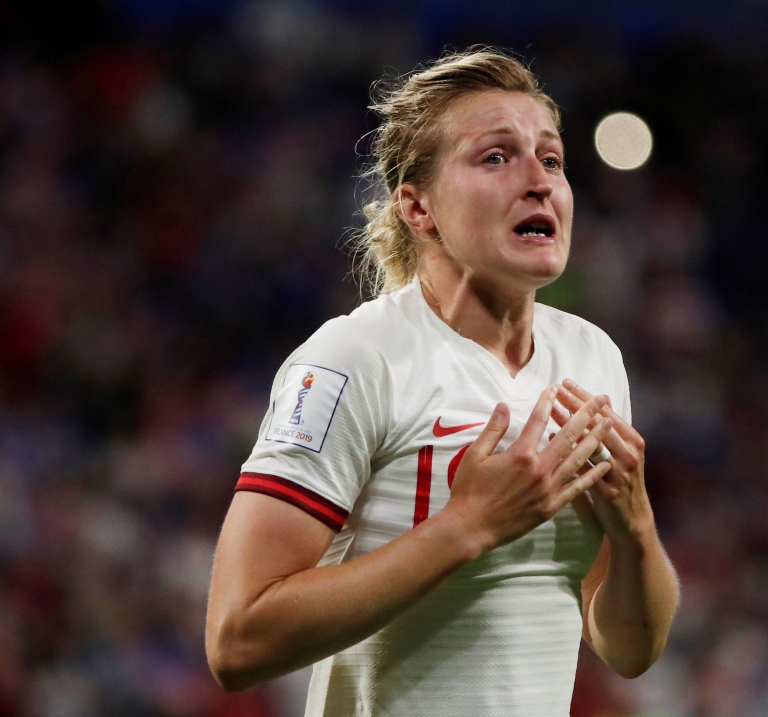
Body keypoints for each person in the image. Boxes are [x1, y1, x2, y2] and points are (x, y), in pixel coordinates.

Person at [205, 47, 680, 717]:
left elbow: (629, 647)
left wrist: (635, 526)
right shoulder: (354, 358)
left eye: (551, 158)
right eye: (495, 157)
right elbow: (238, 640)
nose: (539, 180)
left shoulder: (592, 358)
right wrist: (467, 525)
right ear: (418, 207)